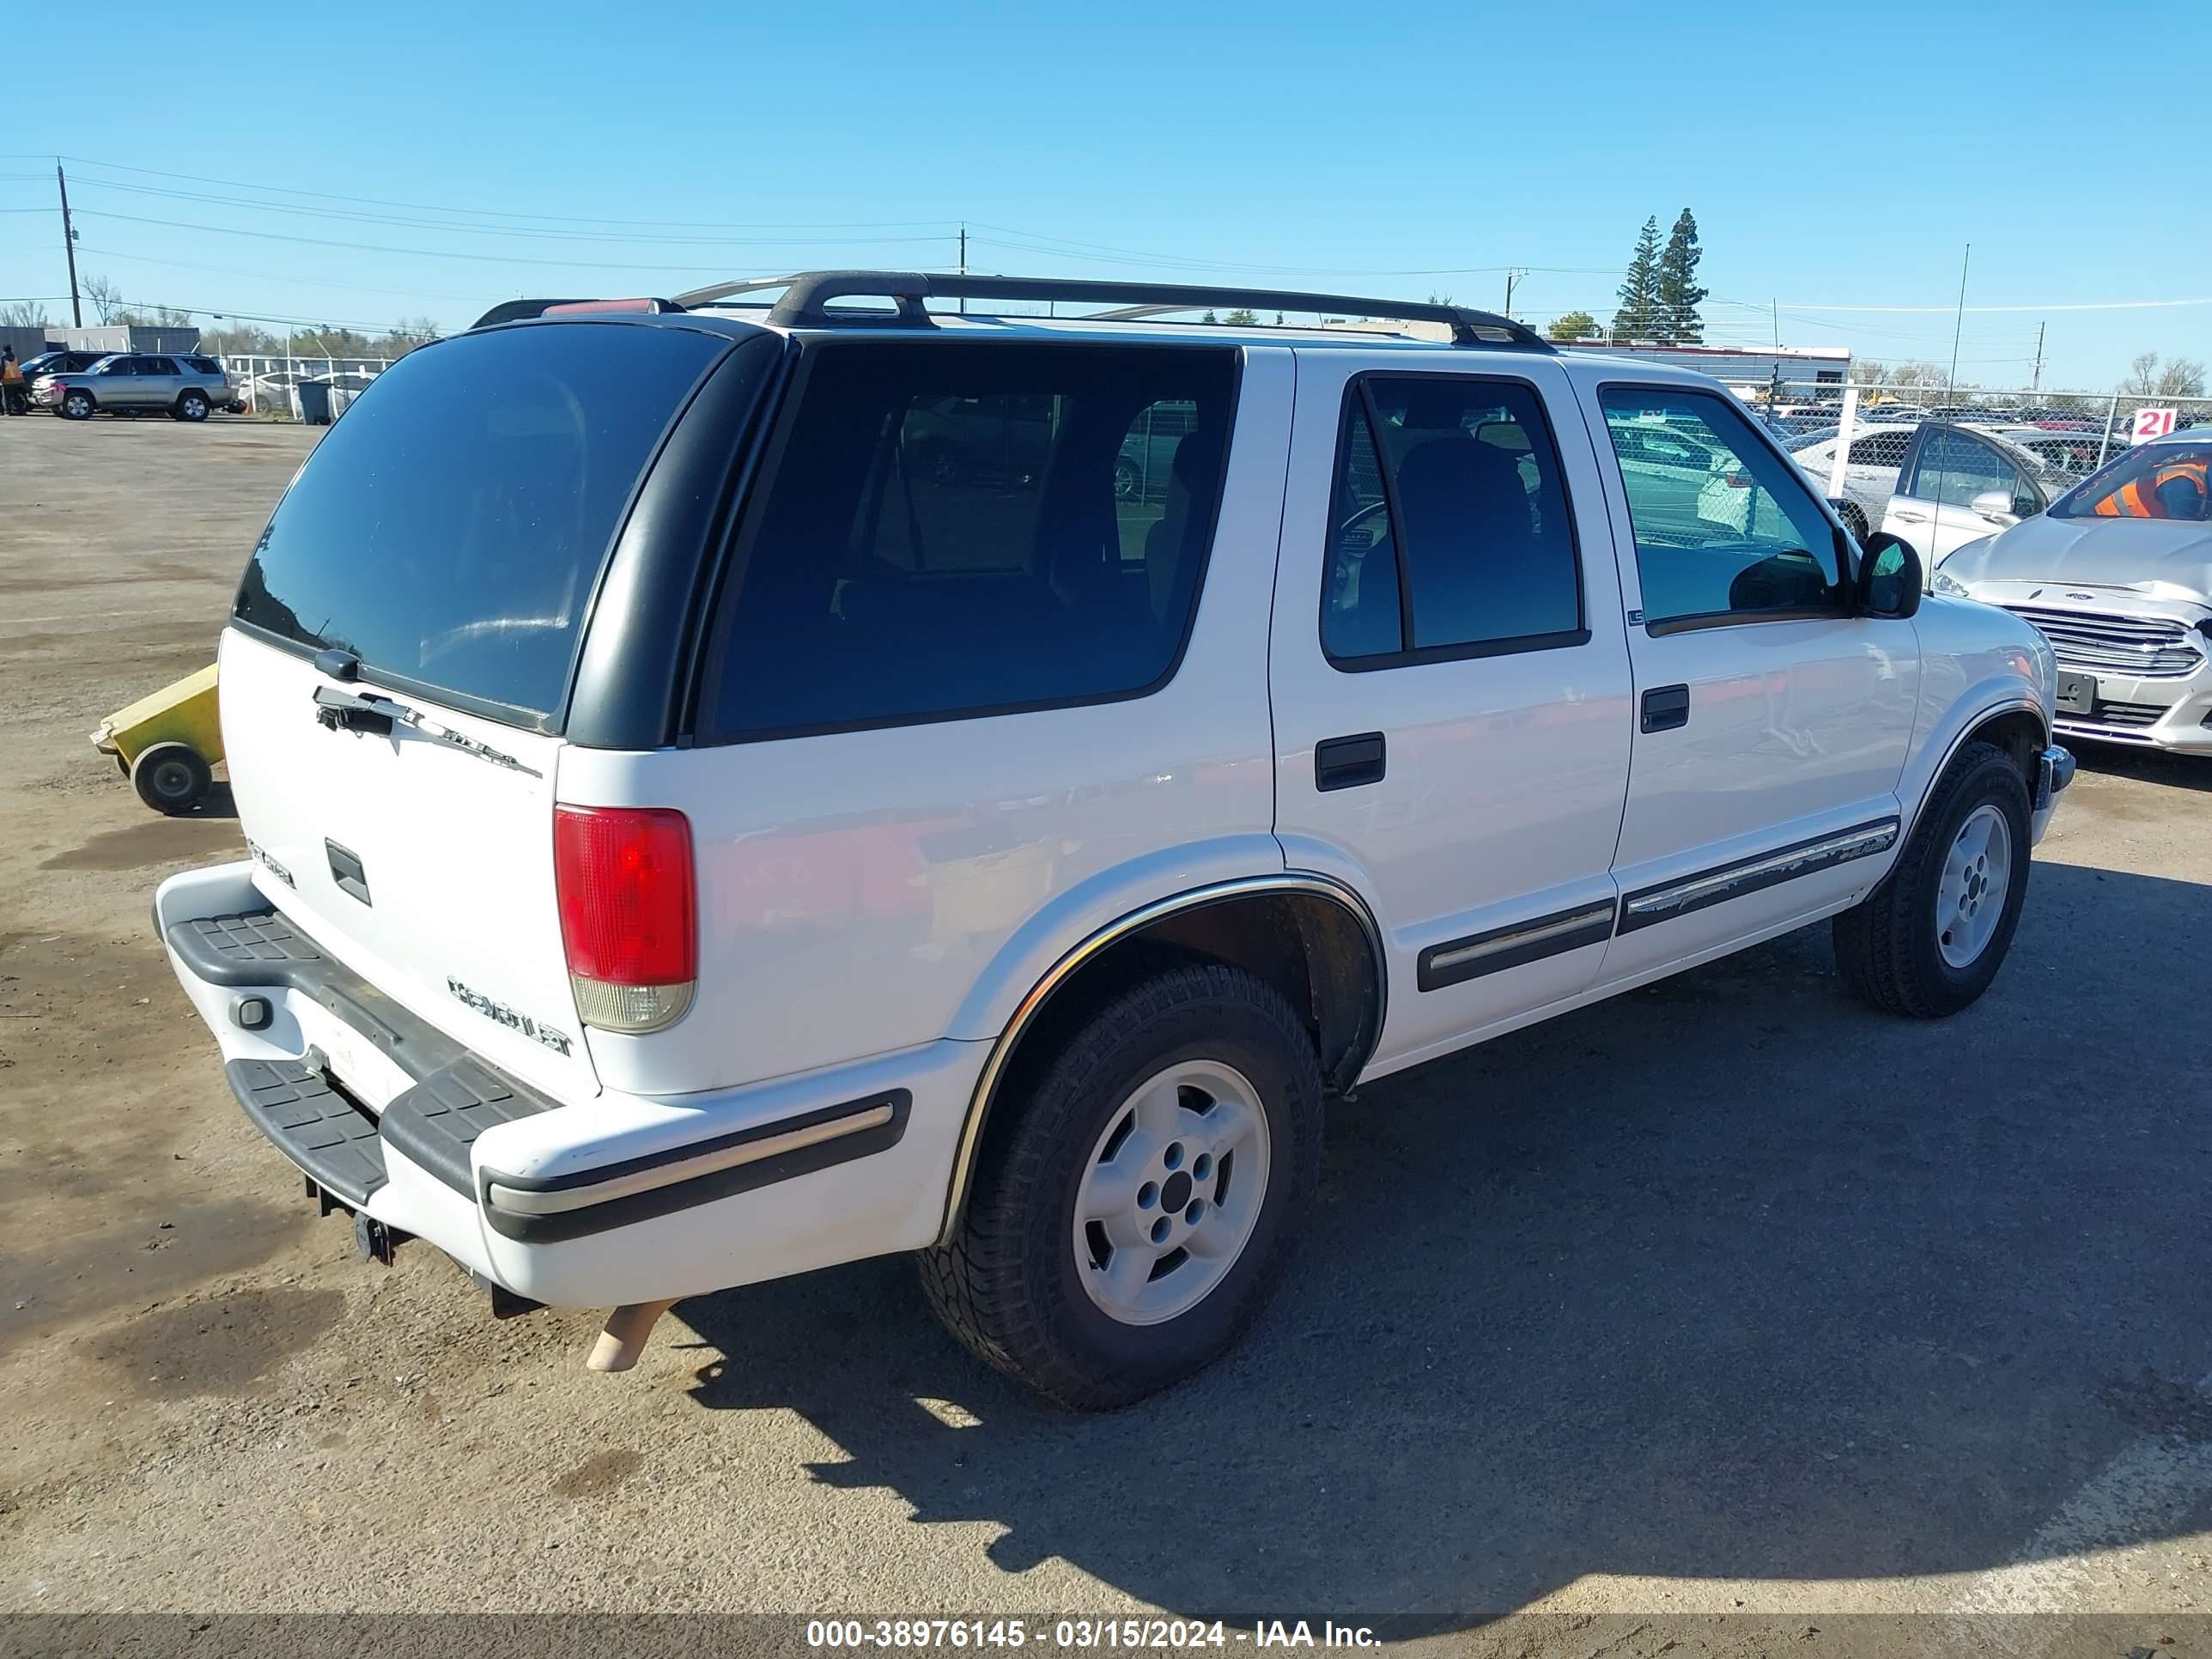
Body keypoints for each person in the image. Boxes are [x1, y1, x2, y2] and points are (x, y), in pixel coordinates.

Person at [1, 346, 23, 416]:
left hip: (7, 379)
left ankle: (8, 411)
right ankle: (19, 410)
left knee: (7, 396)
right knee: (16, 396)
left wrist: (0, 378)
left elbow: (2, 369)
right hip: (17, 379)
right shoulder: (15, 357)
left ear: (4, 350)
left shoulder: (2, 358)